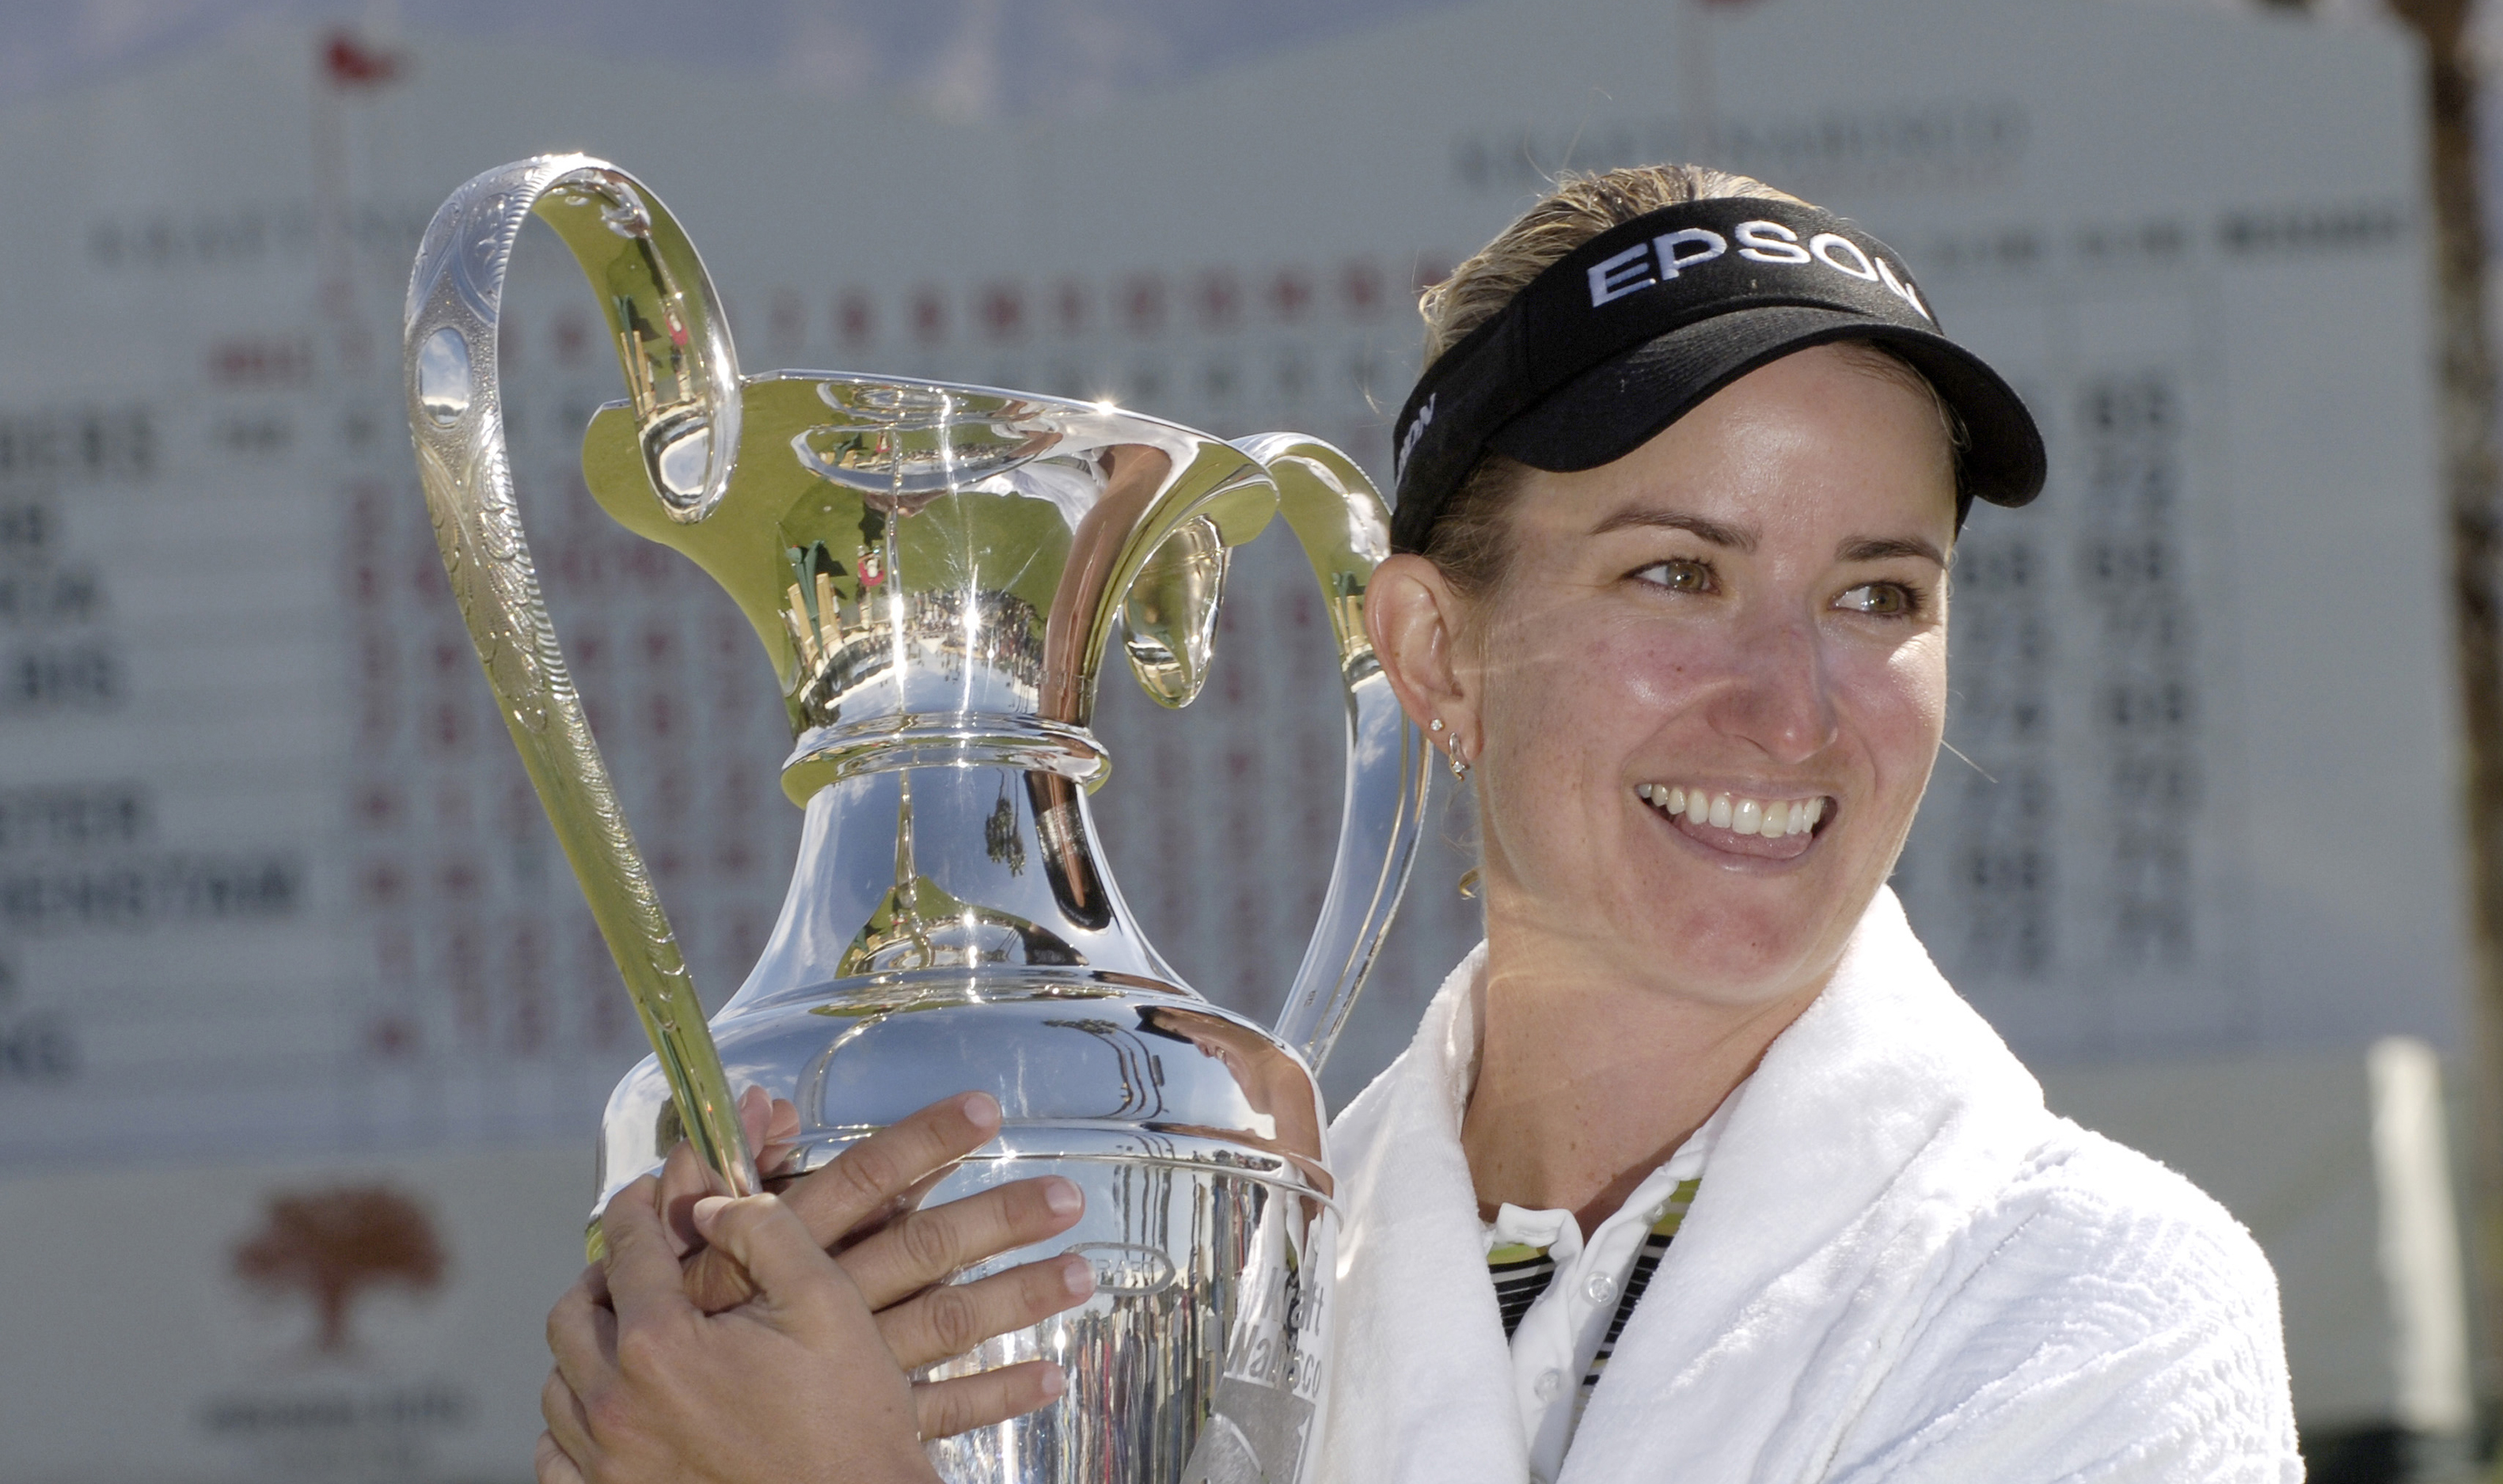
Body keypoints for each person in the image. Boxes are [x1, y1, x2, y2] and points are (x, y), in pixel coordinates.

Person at [537, 165, 2304, 1484]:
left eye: (1875, 594)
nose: (1792, 703)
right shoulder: (1211, 1280)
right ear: (1427, 647)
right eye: (1675, 573)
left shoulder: (2100, 1297)